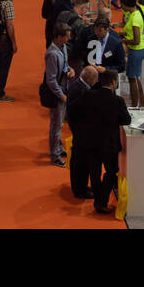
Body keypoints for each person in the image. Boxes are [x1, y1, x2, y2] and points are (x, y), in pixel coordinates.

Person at [72, 67, 131, 213]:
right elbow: (126, 120)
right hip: (109, 145)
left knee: (94, 173)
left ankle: (98, 201)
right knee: (111, 172)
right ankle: (101, 201)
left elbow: (74, 109)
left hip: (90, 142)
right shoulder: (117, 101)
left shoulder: (88, 95)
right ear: (113, 82)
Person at [65, 65, 100, 198]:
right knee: (81, 162)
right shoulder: (82, 91)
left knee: (78, 160)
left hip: (78, 129)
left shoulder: (76, 85)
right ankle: (80, 189)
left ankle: (79, 186)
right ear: (90, 79)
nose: (97, 82)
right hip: (81, 131)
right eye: (96, 79)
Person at [44, 22, 75, 165]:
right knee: (56, 126)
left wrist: (70, 70)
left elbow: (65, 65)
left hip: (64, 90)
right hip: (57, 95)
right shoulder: (52, 54)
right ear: (58, 36)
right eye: (67, 36)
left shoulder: (63, 47)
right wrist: (61, 96)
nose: (69, 39)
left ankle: (58, 147)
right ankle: (55, 155)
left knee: (60, 124)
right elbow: (51, 80)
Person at [119, 0, 144, 108]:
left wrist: (123, 41)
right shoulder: (134, 13)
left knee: (132, 79)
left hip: (136, 50)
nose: (121, 6)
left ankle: (134, 106)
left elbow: (136, 40)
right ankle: (142, 104)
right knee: (136, 78)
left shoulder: (135, 18)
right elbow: (131, 32)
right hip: (139, 49)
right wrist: (121, 34)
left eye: (122, 4)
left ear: (127, 5)